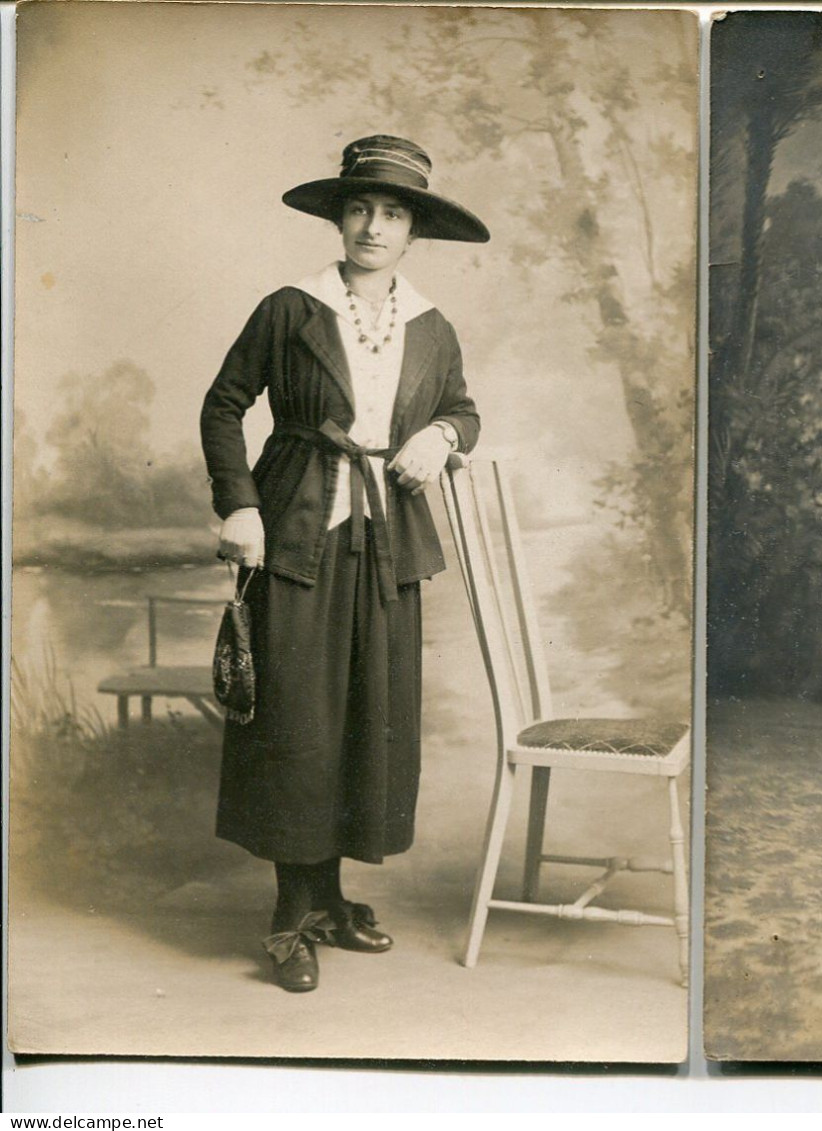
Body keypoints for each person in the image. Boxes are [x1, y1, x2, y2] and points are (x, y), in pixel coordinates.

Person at [200, 135, 488, 990]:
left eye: (392, 213)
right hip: (294, 528)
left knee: (364, 714)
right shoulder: (290, 309)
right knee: (297, 716)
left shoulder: (431, 326)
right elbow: (222, 406)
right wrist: (241, 506)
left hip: (386, 536)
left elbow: (464, 410)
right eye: (360, 207)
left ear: (412, 232)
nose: (373, 225)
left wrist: (440, 435)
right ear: (339, 217)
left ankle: (327, 897)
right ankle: (291, 916)